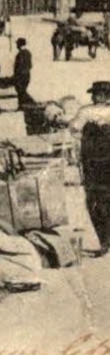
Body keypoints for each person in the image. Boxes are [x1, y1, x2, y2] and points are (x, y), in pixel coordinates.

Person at [71, 81, 110, 253]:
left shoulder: (85, 112)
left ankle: (104, 240)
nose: (93, 97)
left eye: (95, 94)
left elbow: (74, 128)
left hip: (93, 164)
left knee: (94, 201)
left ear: (102, 95)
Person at [12, 38, 35, 109]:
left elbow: (19, 66)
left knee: (21, 91)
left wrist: (17, 75)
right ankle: (23, 105)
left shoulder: (21, 54)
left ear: (19, 45)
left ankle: (25, 105)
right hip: (27, 75)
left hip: (21, 76)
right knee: (22, 90)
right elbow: (30, 65)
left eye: (17, 44)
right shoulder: (28, 53)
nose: (16, 45)